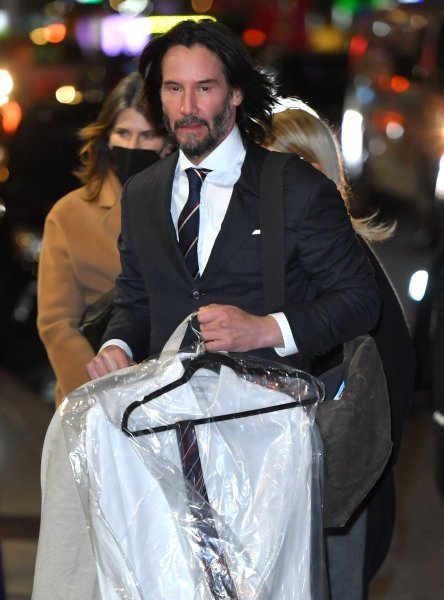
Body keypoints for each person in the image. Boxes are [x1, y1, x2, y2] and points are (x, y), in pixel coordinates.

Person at [86, 19, 380, 392]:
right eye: (174, 88)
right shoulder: (142, 192)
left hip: (270, 413)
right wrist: (117, 346)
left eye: (204, 88)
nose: (187, 106)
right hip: (165, 414)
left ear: (236, 92)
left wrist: (265, 329)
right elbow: (136, 299)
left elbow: (360, 300)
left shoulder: (296, 186)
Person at [265, 98, 415, 599]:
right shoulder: (268, 250)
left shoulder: (342, 259)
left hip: (335, 485)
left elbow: (393, 372)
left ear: (322, 173)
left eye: (294, 165)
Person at [37, 71, 171, 406]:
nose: (133, 146)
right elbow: (57, 323)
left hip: (176, 394)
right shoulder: (69, 214)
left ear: (169, 141)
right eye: (123, 133)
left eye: (148, 135)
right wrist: (95, 398)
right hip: (94, 396)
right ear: (106, 137)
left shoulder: (188, 204)